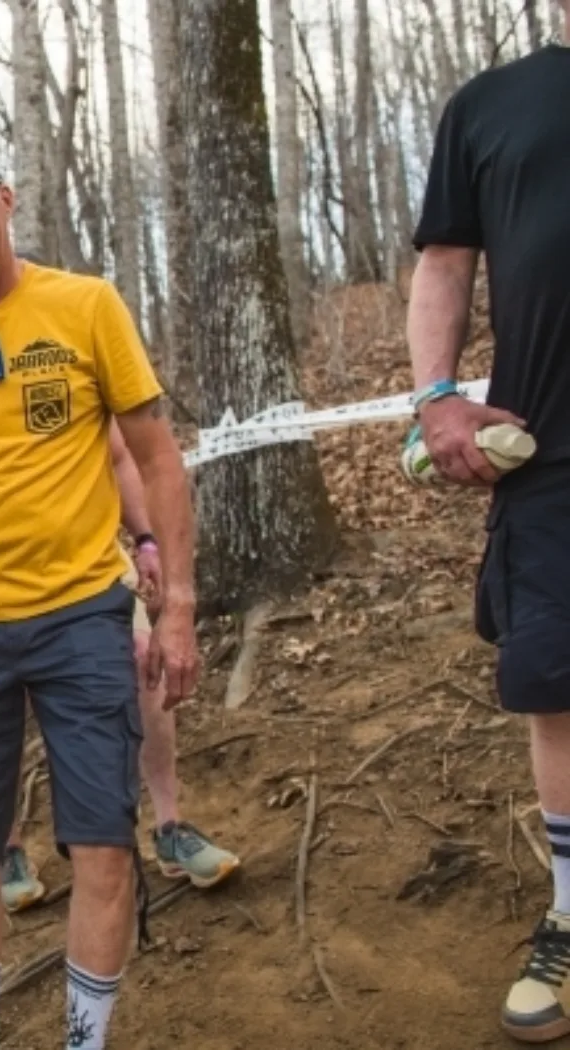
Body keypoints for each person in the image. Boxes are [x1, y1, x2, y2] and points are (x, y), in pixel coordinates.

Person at [0, 134, 201, 1050]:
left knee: (103, 840)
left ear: (8, 203)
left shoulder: (87, 305)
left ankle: (81, 1039)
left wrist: (174, 604)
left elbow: (156, 455)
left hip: (81, 615)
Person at [407, 22, 570, 1044]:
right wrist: (437, 397)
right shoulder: (490, 104)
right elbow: (444, 264)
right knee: (558, 688)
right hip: (551, 451)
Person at [1, 424, 240, 912]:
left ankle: (170, 828)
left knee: (143, 671)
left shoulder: (73, 355)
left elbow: (120, 456)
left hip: (92, 568)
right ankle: (7, 850)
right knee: (1, 706)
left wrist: (147, 538)